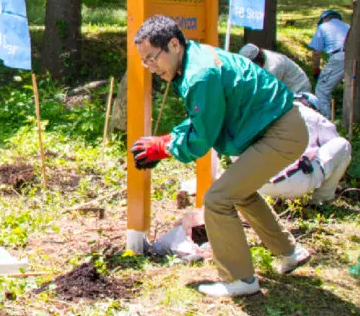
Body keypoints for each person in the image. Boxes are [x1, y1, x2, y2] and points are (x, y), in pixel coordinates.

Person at [130, 15, 312, 297]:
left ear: (174, 45)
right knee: (238, 191)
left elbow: (202, 140)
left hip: (278, 133)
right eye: (145, 62)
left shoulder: (200, 75)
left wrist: (163, 147)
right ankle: (289, 253)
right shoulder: (194, 60)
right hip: (274, 126)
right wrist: (168, 140)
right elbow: (204, 119)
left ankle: (239, 280)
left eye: (152, 58)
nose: (151, 68)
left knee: (217, 199)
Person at [259, 99, 351, 206]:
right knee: (343, 144)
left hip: (256, 183)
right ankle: (322, 200)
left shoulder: (271, 111)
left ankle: (274, 199)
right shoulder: (313, 115)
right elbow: (333, 142)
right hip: (295, 184)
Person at [309, 10, 350, 117]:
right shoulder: (348, 27)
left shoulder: (322, 27)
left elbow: (316, 53)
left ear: (324, 19)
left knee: (322, 89)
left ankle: (325, 120)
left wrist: (316, 69)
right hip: (357, 57)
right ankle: (354, 121)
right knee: (353, 90)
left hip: (339, 57)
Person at [238, 43, 312, 95]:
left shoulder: (274, 67)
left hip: (298, 88)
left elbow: (269, 92)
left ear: (256, 62)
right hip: (285, 89)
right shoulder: (261, 56)